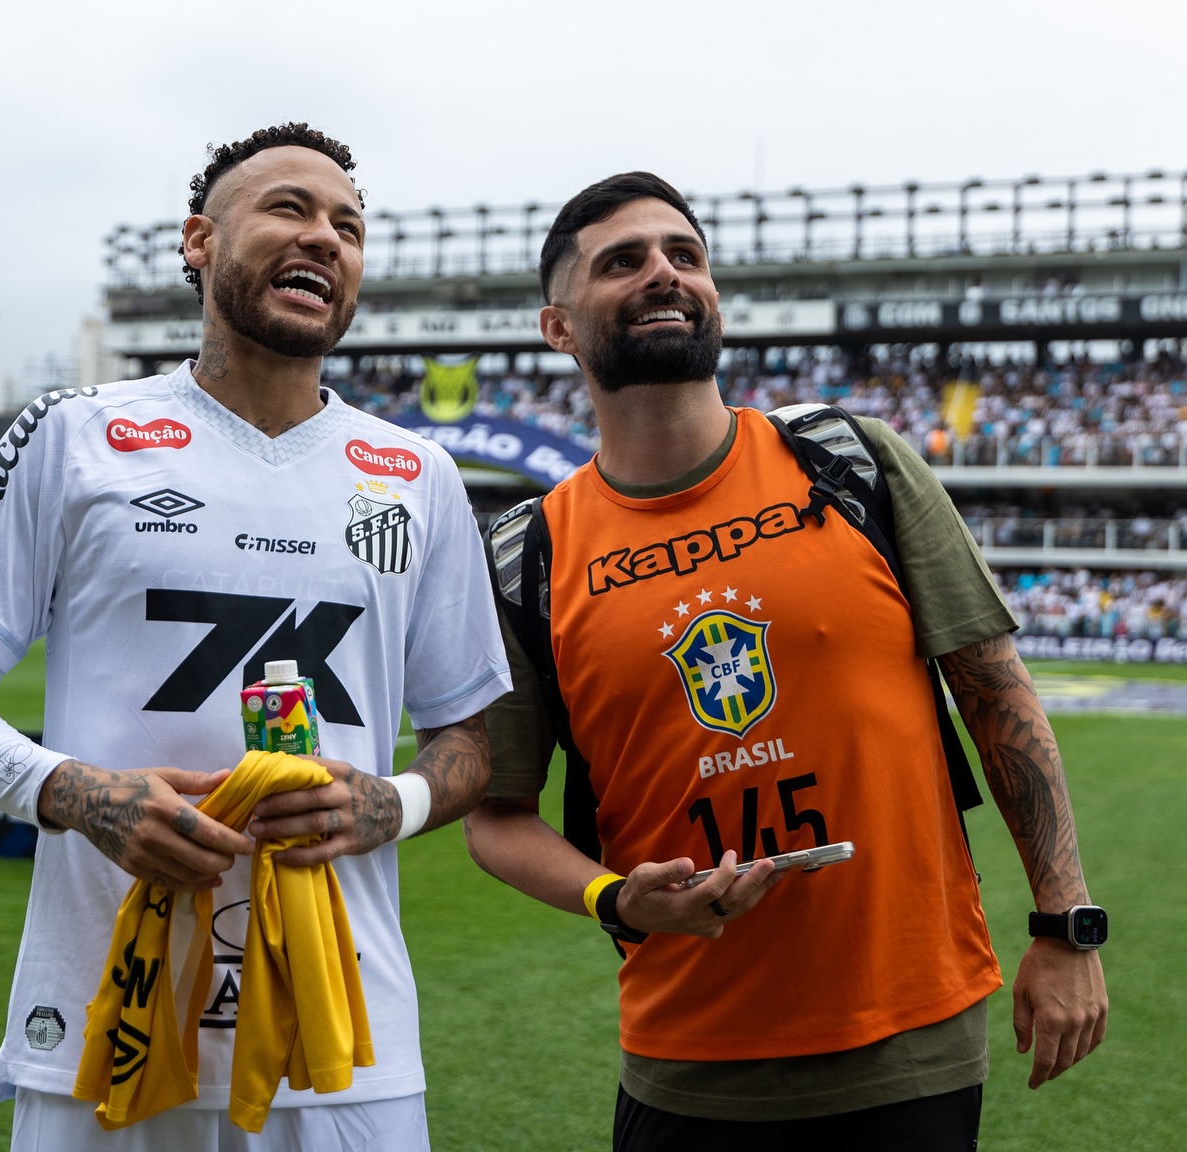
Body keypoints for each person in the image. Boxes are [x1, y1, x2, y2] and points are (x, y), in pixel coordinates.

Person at [0, 123, 511, 1152]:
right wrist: (80, 794)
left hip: (346, 1050)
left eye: (349, 226)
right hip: (108, 1026)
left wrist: (386, 803)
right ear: (197, 242)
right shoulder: (73, 435)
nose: (325, 237)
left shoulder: (419, 477)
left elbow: (468, 747)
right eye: (288, 210)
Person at [463, 172, 1108, 1151]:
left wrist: (1067, 922)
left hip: (911, 1039)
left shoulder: (850, 460)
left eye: (685, 255)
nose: (664, 273)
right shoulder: (526, 553)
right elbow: (497, 817)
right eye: (622, 261)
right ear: (558, 328)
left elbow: (996, 693)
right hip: (688, 1058)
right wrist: (612, 895)